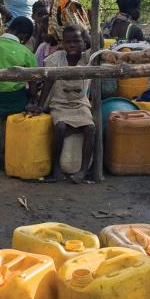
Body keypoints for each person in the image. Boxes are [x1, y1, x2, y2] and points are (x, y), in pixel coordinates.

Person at [31, 26, 96, 183]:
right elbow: (47, 83)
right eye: (68, 42)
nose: (72, 45)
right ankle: (56, 167)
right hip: (60, 104)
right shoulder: (56, 59)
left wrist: (87, 33)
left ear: (84, 43)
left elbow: (98, 45)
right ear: (62, 44)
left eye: (76, 41)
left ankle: (83, 170)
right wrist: (41, 106)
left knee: (90, 128)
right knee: (59, 127)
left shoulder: (87, 58)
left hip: (80, 104)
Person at [0, 16, 39, 169]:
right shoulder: (26, 53)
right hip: (17, 102)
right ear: (24, 36)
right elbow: (33, 85)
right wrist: (33, 98)